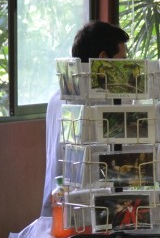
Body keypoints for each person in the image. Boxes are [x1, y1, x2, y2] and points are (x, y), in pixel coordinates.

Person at [42, 20, 130, 217]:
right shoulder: (97, 104)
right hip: (87, 212)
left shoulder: (58, 97)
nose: (125, 67)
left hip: (59, 204)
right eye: (121, 60)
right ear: (103, 59)